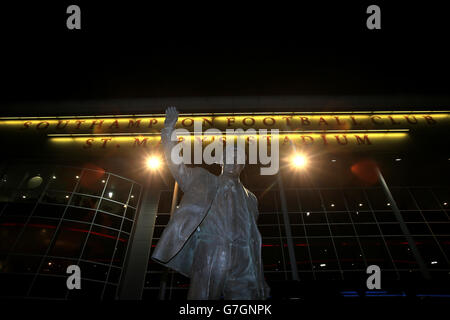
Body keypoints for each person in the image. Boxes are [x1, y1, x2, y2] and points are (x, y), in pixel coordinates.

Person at [152, 106, 270, 300]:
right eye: (229, 157)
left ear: (243, 164)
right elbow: (176, 164)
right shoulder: (202, 180)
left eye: (238, 158)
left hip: (245, 262)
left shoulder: (251, 198)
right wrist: (169, 130)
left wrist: (260, 278)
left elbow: (253, 238)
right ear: (221, 160)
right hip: (211, 253)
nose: (233, 160)